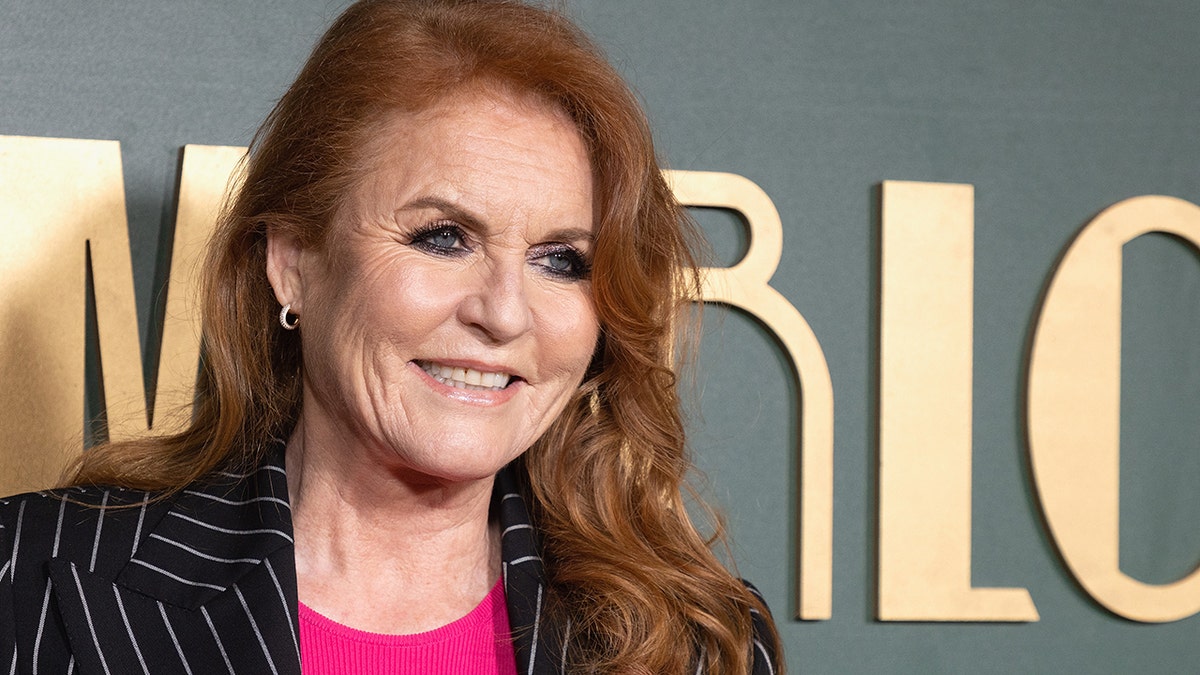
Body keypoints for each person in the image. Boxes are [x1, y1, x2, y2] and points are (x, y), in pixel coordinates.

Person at [0, 0, 782, 672]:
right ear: (294, 261)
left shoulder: (701, 641)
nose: (504, 313)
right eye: (444, 237)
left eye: (561, 260)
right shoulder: (28, 571)